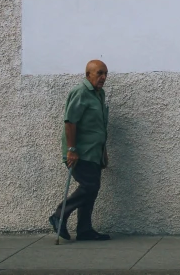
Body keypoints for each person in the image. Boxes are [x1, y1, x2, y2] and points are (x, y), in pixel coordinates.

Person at [49, 60, 111, 241]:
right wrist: (71, 149)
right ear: (88, 74)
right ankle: (59, 214)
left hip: (94, 152)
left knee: (91, 190)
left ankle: (84, 230)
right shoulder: (80, 92)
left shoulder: (99, 94)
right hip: (80, 153)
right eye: (99, 73)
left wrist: (103, 151)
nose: (103, 78)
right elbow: (70, 122)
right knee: (90, 186)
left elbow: (99, 127)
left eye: (105, 74)